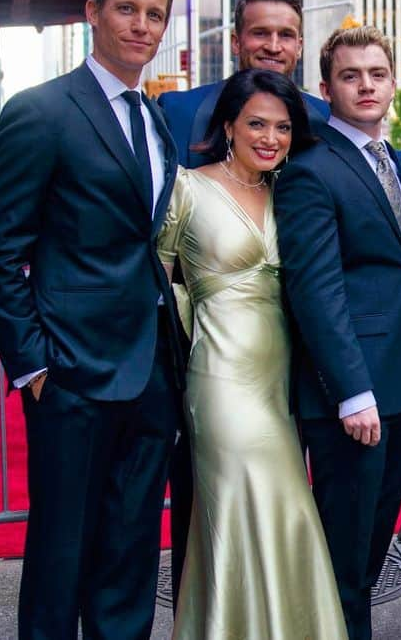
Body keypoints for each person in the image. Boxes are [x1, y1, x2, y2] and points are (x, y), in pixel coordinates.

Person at [0, 0, 183, 639]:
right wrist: (33, 365)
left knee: (129, 550)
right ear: (94, 13)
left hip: (150, 370)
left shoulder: (154, 121)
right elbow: (1, 249)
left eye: (155, 14)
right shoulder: (41, 110)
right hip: (70, 374)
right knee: (62, 552)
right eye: (127, 8)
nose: (142, 26)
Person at [157, 68, 347, 638]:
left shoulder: (289, 191)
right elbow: (159, 286)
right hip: (219, 377)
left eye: (283, 127)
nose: (270, 137)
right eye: (257, 124)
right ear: (229, 126)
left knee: (284, 510)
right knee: (249, 503)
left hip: (280, 380)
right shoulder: (188, 188)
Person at [274, 26, 401, 640]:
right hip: (354, 396)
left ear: (393, 82)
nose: (365, 85)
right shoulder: (311, 171)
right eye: (350, 75)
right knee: (344, 558)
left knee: (369, 553)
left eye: (376, 73)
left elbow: (385, 266)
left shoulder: (392, 159)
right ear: (324, 89)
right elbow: (315, 289)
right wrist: (351, 392)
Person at [158, 0, 331, 167]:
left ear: (299, 47)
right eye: (260, 33)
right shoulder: (176, 111)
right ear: (236, 42)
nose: (273, 47)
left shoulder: (327, 119)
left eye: (285, 35)